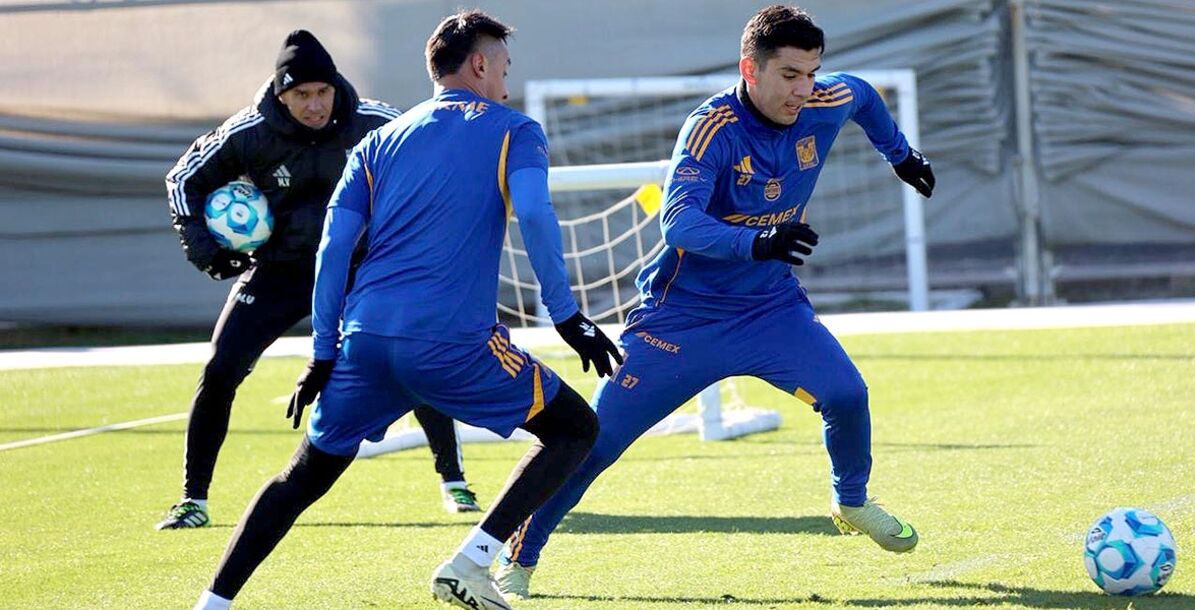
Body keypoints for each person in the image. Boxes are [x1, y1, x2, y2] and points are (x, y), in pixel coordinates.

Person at [496, 4, 936, 599]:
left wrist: (900, 154)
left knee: (848, 394)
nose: (803, 91)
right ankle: (518, 561)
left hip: (770, 309)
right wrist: (757, 241)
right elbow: (677, 224)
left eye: (811, 74)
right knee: (593, 444)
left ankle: (851, 502)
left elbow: (863, 98)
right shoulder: (712, 128)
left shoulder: (827, 100)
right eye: (789, 76)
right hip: (682, 320)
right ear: (748, 69)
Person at [191, 10, 621, 610]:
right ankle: (472, 562)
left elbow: (333, 250)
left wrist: (323, 351)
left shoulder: (376, 142)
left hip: (364, 340)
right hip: (452, 342)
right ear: (478, 64)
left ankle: (212, 603)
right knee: (575, 428)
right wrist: (567, 315)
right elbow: (537, 218)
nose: (505, 77)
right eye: (502, 65)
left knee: (300, 479)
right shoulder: (514, 129)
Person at [160, 30, 482, 530]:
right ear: (281, 93)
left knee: (410, 361)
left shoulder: (378, 123)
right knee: (221, 369)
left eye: (322, 92)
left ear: (335, 88)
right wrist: (206, 250)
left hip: (362, 272)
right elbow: (182, 179)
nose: (314, 105)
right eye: (301, 94)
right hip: (280, 270)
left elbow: (437, 166)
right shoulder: (248, 133)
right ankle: (193, 499)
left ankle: (454, 479)